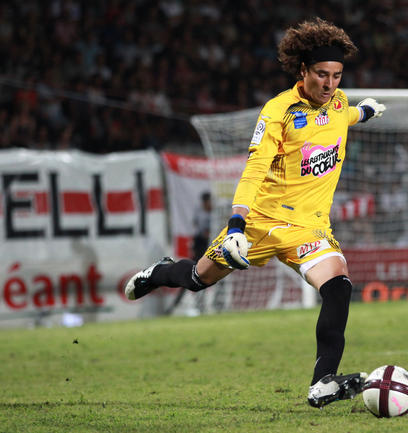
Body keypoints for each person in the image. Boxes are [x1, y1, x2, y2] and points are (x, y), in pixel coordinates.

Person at [124, 17, 385, 408]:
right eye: (321, 74)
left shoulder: (338, 102)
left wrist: (363, 111)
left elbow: (342, 117)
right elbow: (254, 170)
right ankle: (160, 272)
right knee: (198, 279)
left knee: (338, 286)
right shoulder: (278, 112)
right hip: (261, 222)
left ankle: (322, 383)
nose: (329, 84)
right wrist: (236, 226)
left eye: (336, 76)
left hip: (308, 228)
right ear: (303, 70)